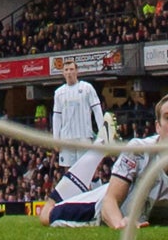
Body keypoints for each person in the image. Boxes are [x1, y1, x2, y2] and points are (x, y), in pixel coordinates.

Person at [38, 93, 168, 228]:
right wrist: (119, 223)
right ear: (158, 126)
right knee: (47, 214)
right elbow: (110, 201)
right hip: (101, 206)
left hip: (125, 190)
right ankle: (99, 147)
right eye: (167, 117)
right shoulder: (139, 151)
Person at [50, 56, 112, 201]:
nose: (69, 72)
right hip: (67, 139)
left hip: (84, 136)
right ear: (63, 73)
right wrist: (56, 138)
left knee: (91, 170)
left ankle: (100, 200)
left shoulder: (86, 88)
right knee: (69, 173)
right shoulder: (59, 92)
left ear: (77, 71)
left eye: (72, 69)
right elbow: (56, 116)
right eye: (66, 70)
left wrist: (103, 132)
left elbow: (97, 110)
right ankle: (72, 202)